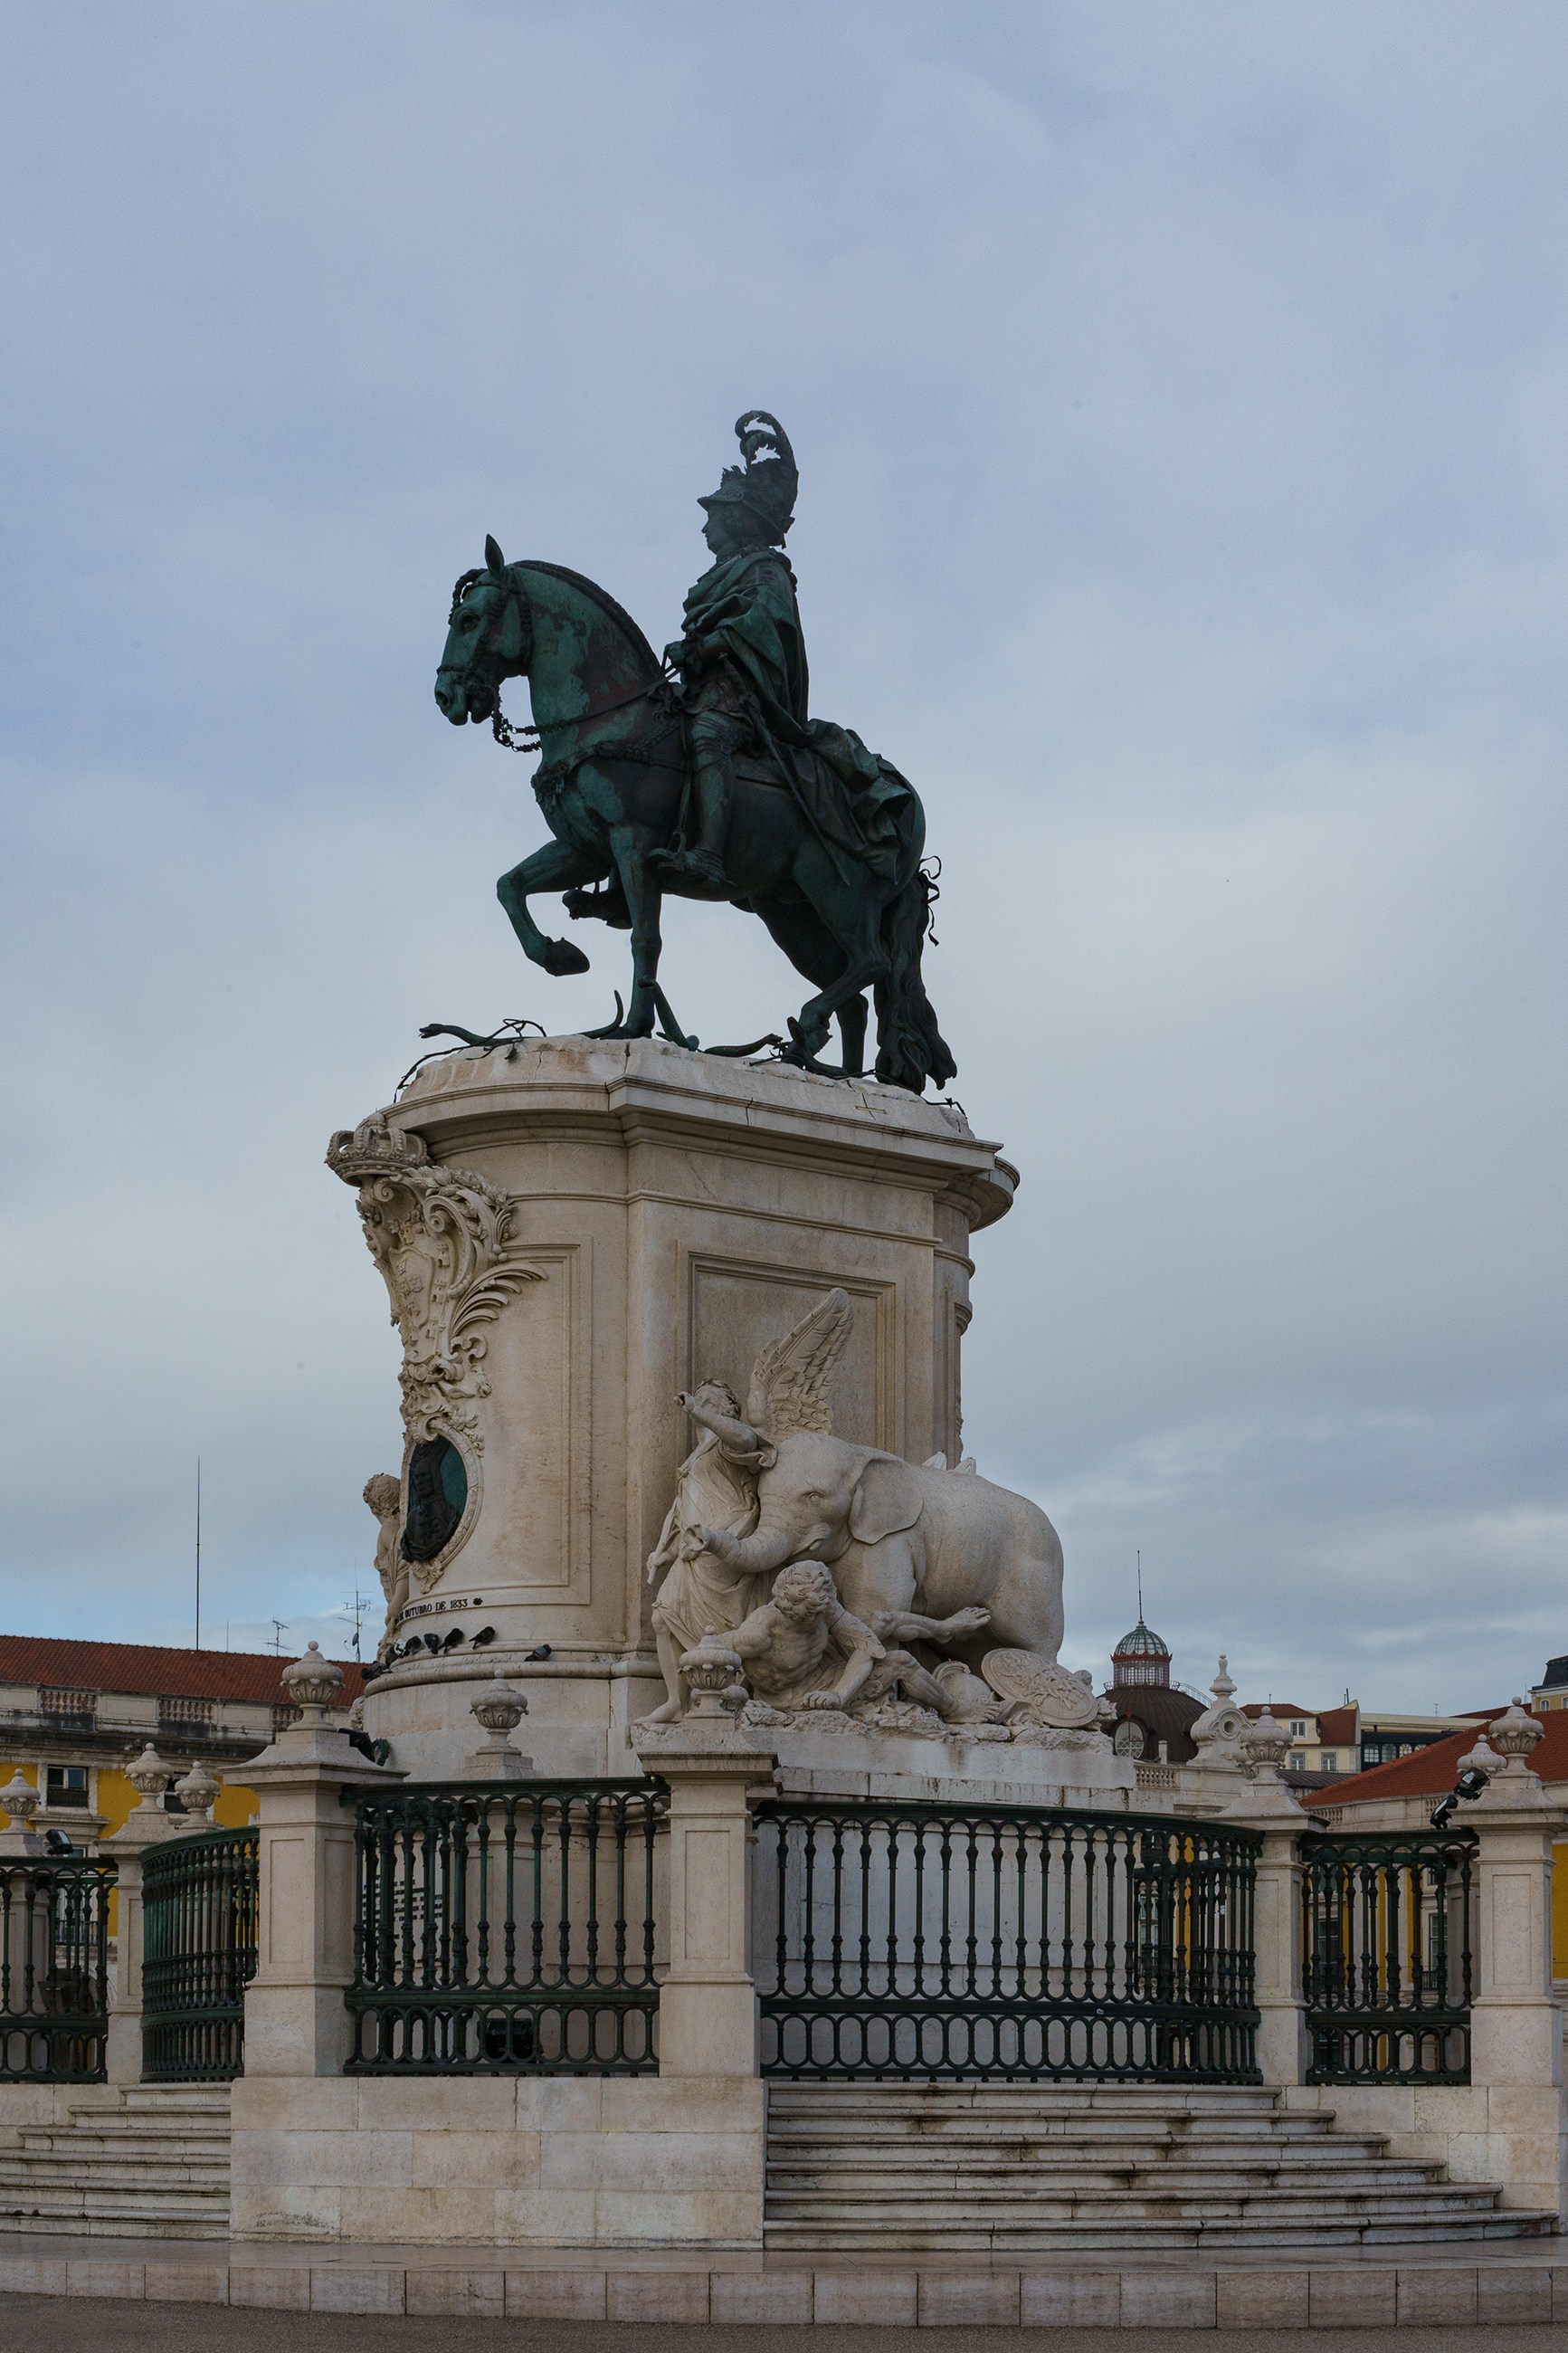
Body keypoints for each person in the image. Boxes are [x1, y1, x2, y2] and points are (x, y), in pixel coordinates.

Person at [649, 412, 913, 897]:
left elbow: (764, 626)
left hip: (742, 698)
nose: (704, 528)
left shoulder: (768, 571)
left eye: (712, 517)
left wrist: (707, 644)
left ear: (734, 519)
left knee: (708, 738)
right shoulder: (718, 577)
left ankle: (707, 853)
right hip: (701, 688)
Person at [642, 1383, 776, 1723]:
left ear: (728, 1408)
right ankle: (676, 1700)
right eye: (699, 1394)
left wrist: (698, 1411)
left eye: (710, 1396)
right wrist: (665, 1553)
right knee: (662, 1619)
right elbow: (684, 1513)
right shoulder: (696, 1456)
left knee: (717, 1630)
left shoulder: (727, 1445)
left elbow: (747, 1440)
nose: (701, 1397)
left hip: (722, 1545)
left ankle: (728, 1696)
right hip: (692, 1551)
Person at [727, 1563, 988, 1722]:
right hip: (793, 1698)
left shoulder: (822, 1604)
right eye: (812, 1615)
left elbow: (867, 1645)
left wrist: (838, 1694)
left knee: (879, 1621)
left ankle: (943, 1629)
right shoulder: (758, 1632)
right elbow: (713, 1650)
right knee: (902, 1662)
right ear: (789, 1607)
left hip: (827, 1680)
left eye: (823, 1612)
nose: (821, 1618)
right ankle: (955, 1709)